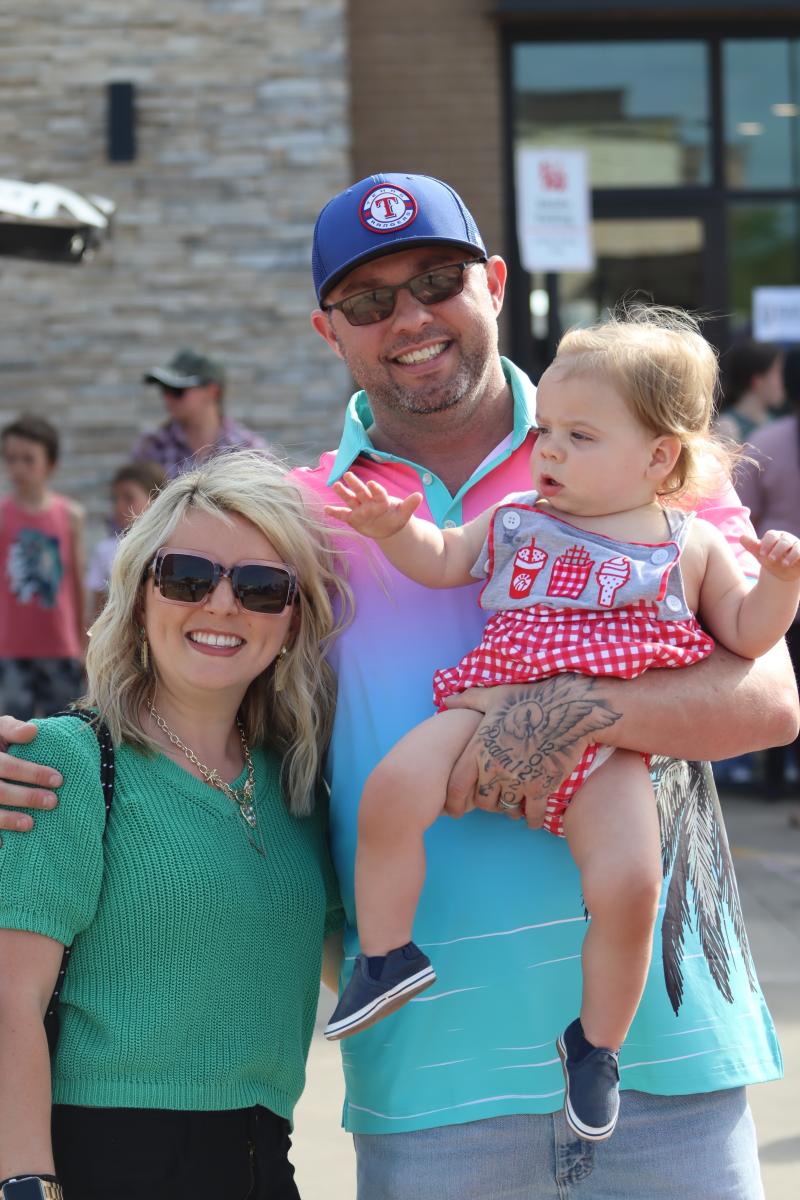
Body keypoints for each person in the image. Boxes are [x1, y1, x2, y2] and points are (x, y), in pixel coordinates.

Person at [0, 173, 797, 1199]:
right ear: (328, 330)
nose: (410, 317)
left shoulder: (641, 461)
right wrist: (47, 762)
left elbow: (767, 702)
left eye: (436, 282)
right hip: (429, 1086)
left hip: (664, 1058)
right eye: (370, 300)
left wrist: (545, 722)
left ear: (494, 283)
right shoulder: (301, 518)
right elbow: (190, 691)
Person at [321, 306, 800, 1145]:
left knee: (630, 885)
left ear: (659, 456)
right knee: (391, 790)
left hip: (612, 750)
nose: (548, 452)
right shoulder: (518, 519)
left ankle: (597, 1045)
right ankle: (388, 956)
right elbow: (444, 558)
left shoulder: (688, 545)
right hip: (488, 696)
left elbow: (748, 635)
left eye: (580, 437)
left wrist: (781, 586)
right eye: (545, 431)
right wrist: (399, 531)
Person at [0, 450, 349, 1200]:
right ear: (139, 597)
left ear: (293, 619)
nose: (221, 605)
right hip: (108, 1164)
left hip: (265, 1161)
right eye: (188, 577)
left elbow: (353, 967)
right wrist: (25, 1184)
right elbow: (9, 1003)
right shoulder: (67, 760)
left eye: (261, 587)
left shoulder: (297, 787)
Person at [736, 347, 800, 798]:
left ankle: (774, 779)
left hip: (778, 583)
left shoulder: (766, 441)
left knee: (781, 678)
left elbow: (742, 517)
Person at [0, 415, 86, 719]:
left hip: (59, 646)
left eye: (28, 459)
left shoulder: (70, 515)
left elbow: (76, 582)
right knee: (11, 733)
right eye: (11, 459)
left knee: (66, 727)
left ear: (50, 464)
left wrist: (83, 641)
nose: (18, 468)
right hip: (10, 648)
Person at [134, 348, 265, 479]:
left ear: (212, 392)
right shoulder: (152, 446)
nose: (167, 399)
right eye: (164, 390)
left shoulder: (248, 450)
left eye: (177, 390)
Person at [85, 460, 166, 619]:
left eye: (129, 498)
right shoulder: (105, 551)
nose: (119, 506)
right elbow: (97, 612)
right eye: (115, 499)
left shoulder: (171, 549)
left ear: (156, 499)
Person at [715, 339, 784, 445]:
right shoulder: (727, 427)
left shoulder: (775, 423)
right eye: (777, 372)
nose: (783, 380)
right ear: (757, 380)